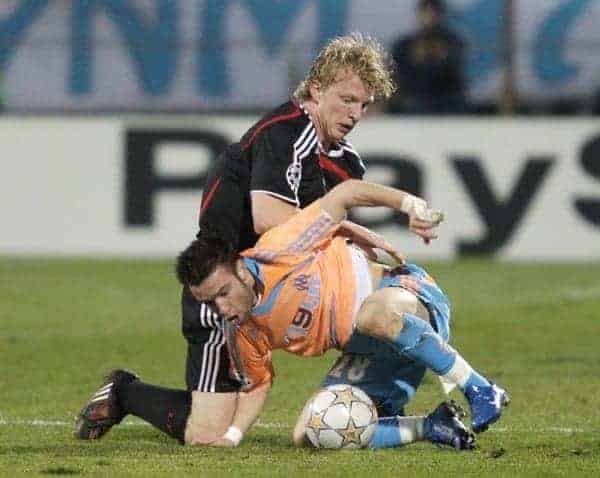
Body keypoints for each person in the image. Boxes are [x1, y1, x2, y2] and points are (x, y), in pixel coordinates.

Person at [75, 33, 408, 445]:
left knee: (374, 315)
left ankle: (387, 402)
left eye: (363, 104)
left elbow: (321, 242)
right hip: (223, 290)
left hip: (280, 296)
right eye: (346, 99)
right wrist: (344, 225)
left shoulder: (347, 162)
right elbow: (269, 218)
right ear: (316, 90)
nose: (355, 113)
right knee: (207, 434)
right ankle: (125, 391)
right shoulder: (284, 132)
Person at [175, 179, 509, 448]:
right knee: (311, 433)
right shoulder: (244, 332)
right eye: (209, 303)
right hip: (370, 351)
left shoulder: (281, 248)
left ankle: (480, 388)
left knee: (371, 316)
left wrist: (410, 205)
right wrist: (231, 438)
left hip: (405, 298)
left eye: (222, 294)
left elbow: (346, 193)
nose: (220, 308)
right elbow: (257, 385)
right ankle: (433, 426)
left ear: (242, 273)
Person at [388, 0, 467, 114]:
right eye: (426, 13)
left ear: (441, 15)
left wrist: (440, 58)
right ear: (419, 14)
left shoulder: (453, 44)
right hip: (412, 104)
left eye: (434, 13)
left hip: (447, 103)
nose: (430, 17)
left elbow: (455, 76)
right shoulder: (404, 45)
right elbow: (398, 77)